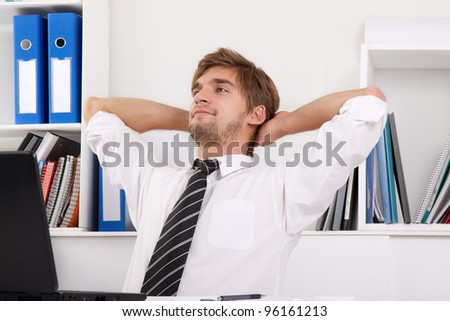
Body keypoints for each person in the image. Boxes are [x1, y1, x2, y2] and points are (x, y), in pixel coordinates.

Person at [84, 48, 387, 297]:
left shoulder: (285, 187)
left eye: (220, 89)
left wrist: (282, 125)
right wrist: (197, 119)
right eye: (197, 91)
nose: (200, 97)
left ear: (256, 114)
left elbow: (368, 103)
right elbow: (98, 112)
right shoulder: (152, 180)